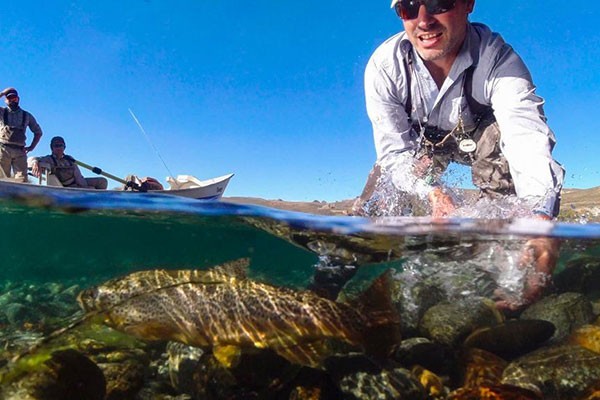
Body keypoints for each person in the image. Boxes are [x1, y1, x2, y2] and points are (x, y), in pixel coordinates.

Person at [355, 0, 564, 310]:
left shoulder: (498, 60)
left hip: (486, 138)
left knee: (515, 212)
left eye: (438, 2)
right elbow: (395, 153)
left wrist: (540, 218)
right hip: (419, 147)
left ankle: (511, 293)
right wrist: (432, 191)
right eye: (409, 8)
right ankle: (328, 281)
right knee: (380, 197)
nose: (423, 20)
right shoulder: (385, 67)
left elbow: (525, 136)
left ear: (468, 4)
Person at [29, 136, 108, 189]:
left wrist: (85, 187)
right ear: (52, 148)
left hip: (78, 183)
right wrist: (34, 162)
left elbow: (78, 176)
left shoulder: (70, 159)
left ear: (64, 147)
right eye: (56, 146)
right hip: (66, 188)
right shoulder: (48, 159)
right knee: (91, 189)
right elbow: (30, 159)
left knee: (103, 181)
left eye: (61, 145)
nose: (59, 148)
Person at [0, 87, 43, 182]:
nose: (12, 100)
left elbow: (38, 132)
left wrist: (31, 147)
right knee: (2, 180)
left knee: (22, 181)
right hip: (3, 150)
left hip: (20, 151)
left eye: (14, 98)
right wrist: (3, 93)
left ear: (18, 99)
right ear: (5, 100)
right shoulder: (2, 112)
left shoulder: (27, 115)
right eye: (9, 98)